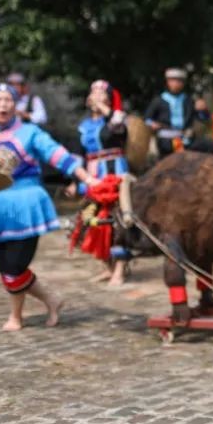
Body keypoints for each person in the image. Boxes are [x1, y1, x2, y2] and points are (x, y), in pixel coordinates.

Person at [0, 83, 99, 331]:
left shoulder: (30, 133)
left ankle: (17, 316)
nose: (4, 105)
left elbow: (57, 154)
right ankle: (50, 299)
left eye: (8, 100)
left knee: (15, 266)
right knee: (5, 267)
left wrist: (86, 178)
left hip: (28, 202)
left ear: (15, 105)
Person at [68, 80, 131, 286]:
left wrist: (105, 108)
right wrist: (74, 180)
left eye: (101, 91)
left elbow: (118, 131)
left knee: (118, 219)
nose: (95, 94)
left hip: (114, 171)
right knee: (93, 218)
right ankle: (106, 265)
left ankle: (120, 268)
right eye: (93, 90)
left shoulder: (117, 117)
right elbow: (78, 155)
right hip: (92, 174)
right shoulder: (84, 126)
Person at [144, 68, 213, 157]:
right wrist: (152, 124)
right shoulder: (159, 100)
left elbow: (204, 118)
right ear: (168, 82)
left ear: (183, 84)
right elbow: (146, 119)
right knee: (168, 153)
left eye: (179, 81)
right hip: (166, 139)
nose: (176, 84)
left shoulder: (188, 100)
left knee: (210, 145)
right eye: (173, 81)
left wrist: (203, 110)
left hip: (186, 138)